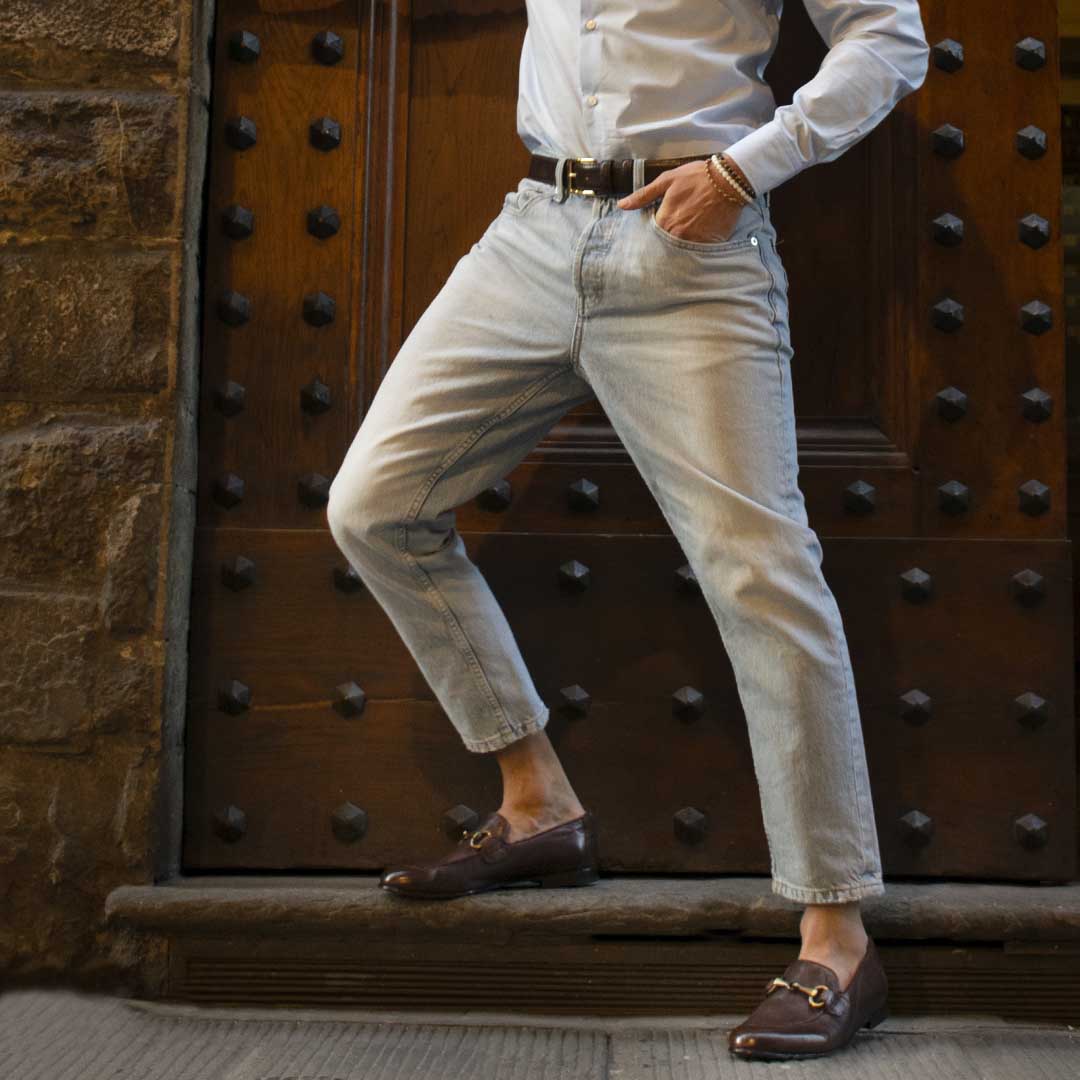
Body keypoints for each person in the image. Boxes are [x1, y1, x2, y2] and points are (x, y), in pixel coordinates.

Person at [326, 0, 930, 1060]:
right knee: (376, 506)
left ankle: (837, 942)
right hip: (534, 230)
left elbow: (889, 38)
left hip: (692, 244)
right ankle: (537, 805)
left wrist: (746, 167)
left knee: (762, 575)